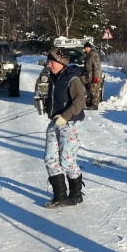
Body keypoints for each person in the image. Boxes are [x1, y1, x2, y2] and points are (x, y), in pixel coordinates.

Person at [42, 48, 87, 208]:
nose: (49, 65)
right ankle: (60, 195)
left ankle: (75, 195)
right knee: (50, 159)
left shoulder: (72, 78)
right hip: (55, 122)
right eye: (48, 62)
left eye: (52, 62)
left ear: (61, 62)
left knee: (67, 161)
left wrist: (65, 116)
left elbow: (80, 101)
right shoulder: (53, 78)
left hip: (70, 123)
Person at [82, 41, 102, 110]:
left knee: (94, 90)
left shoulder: (94, 55)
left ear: (90, 48)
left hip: (95, 76)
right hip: (89, 76)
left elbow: (97, 67)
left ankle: (95, 105)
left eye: (87, 48)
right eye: (85, 48)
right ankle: (89, 102)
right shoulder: (88, 55)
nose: (86, 49)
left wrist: (96, 77)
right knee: (89, 89)